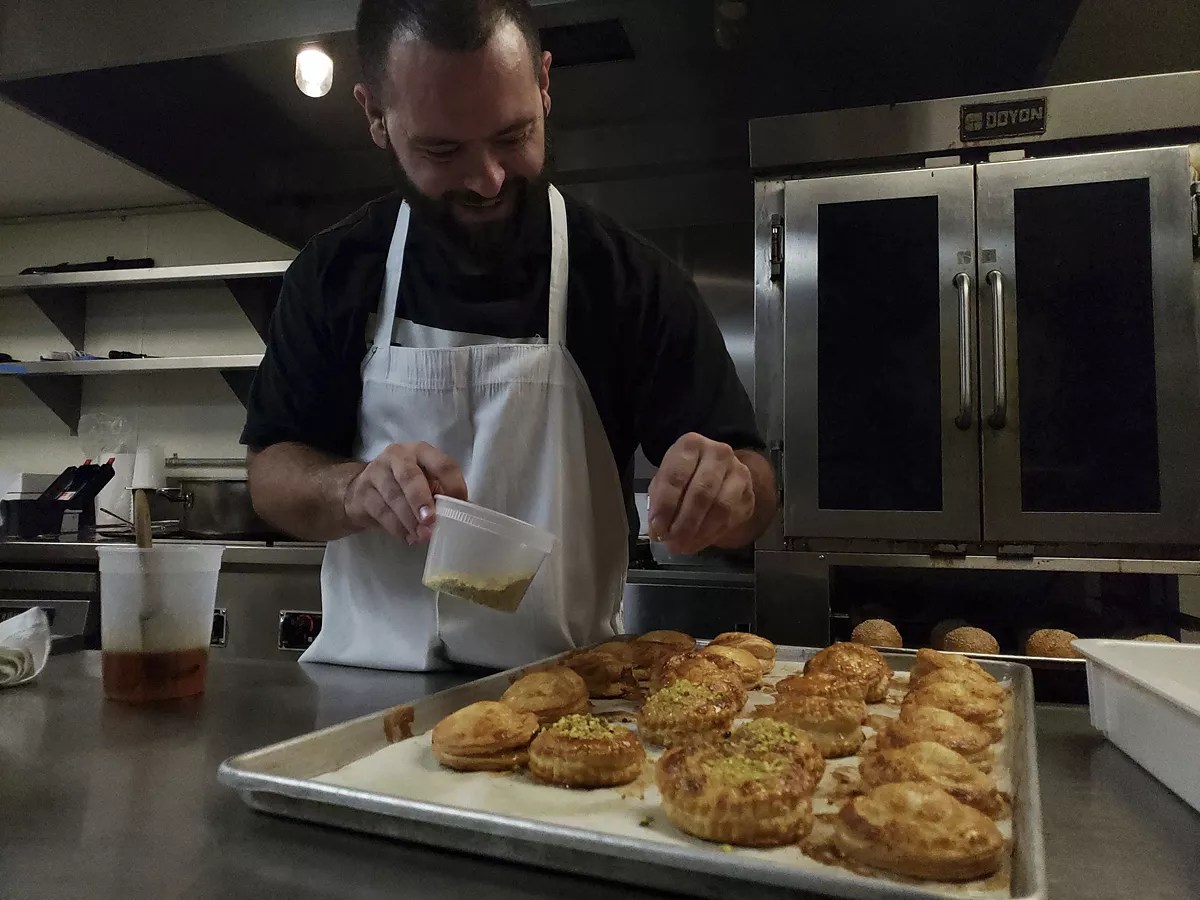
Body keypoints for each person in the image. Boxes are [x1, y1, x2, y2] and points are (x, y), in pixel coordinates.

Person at [242, 0, 776, 671]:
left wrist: (730, 495)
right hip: (366, 688)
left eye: (513, 135)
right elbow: (271, 473)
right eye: (442, 149)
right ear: (375, 113)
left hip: (571, 697)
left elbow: (754, 486)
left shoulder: (627, 280)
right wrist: (351, 489)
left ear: (545, 83)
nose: (488, 178)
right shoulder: (335, 272)